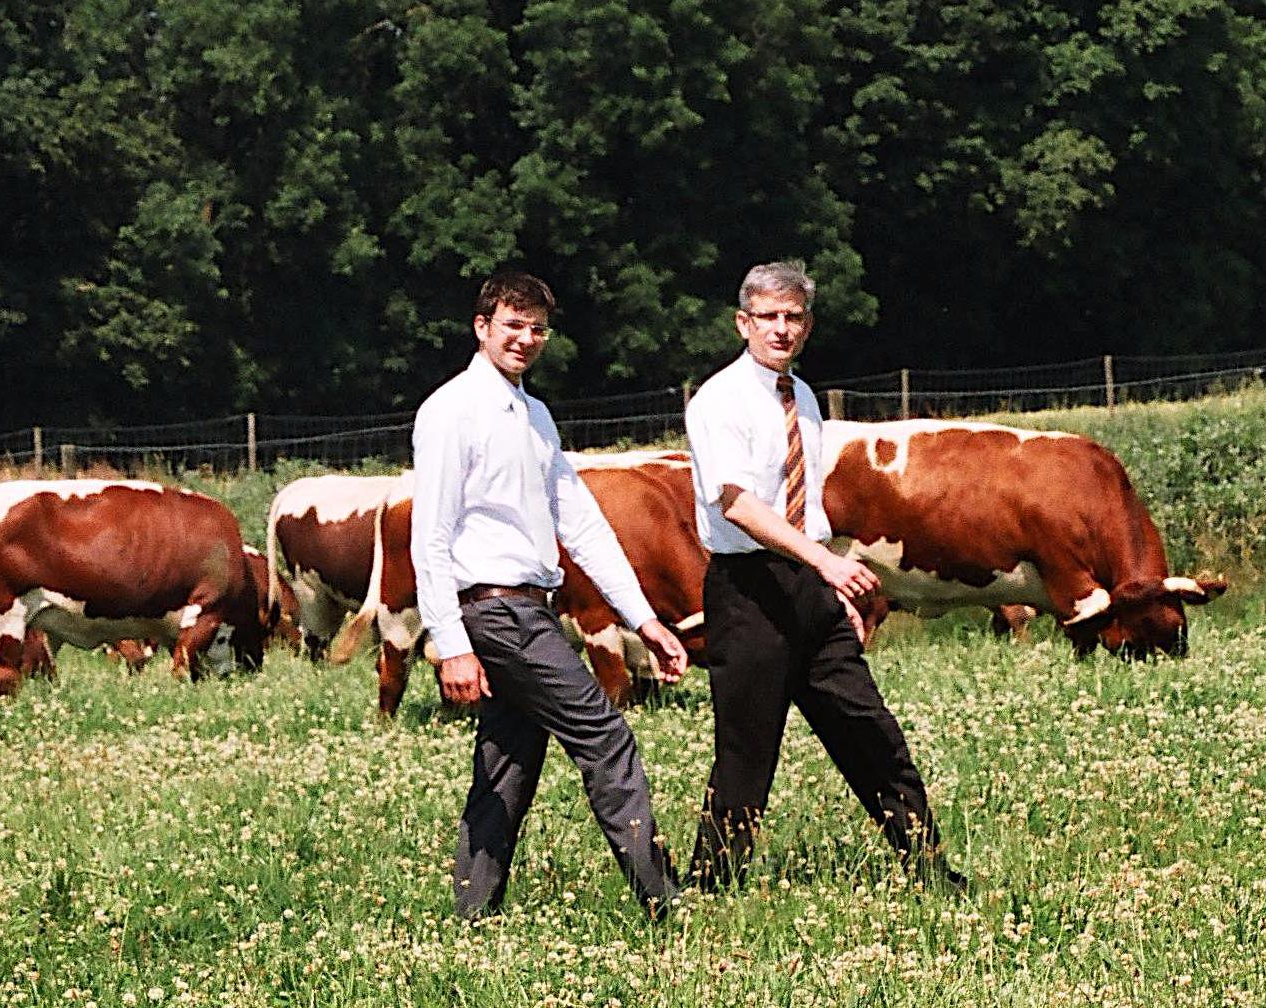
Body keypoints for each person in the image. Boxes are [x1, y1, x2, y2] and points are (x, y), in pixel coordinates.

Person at [412, 270, 693, 922]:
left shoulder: (534, 415)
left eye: (537, 328)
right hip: (493, 608)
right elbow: (430, 538)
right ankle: (663, 900)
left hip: (528, 606)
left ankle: (471, 914)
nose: (526, 339)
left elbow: (582, 523)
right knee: (606, 736)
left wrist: (644, 621)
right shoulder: (450, 411)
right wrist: (451, 645)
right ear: (481, 328)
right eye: (512, 325)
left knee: (508, 764)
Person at [680, 261, 965, 892]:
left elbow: (803, 506)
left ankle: (929, 870)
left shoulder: (801, 397)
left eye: (793, 317)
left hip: (811, 587)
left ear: (807, 325)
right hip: (749, 590)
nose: (781, 329)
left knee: (870, 731)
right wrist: (826, 562)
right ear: (742, 323)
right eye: (768, 317)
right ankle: (709, 889)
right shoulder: (717, 401)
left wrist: (833, 577)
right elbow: (739, 505)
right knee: (746, 754)